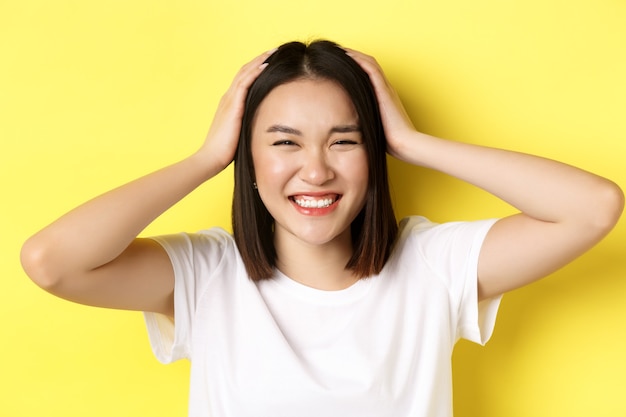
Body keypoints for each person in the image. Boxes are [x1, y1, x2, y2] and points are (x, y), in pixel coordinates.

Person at [20, 40, 623, 416]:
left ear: (374, 153)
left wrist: (412, 142)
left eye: (344, 141)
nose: (316, 169)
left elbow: (594, 206)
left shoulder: (432, 265)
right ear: (246, 158)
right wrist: (206, 159)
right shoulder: (206, 274)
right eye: (284, 142)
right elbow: (52, 261)